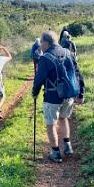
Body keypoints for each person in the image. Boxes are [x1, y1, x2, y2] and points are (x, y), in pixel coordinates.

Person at [32, 31, 85, 163]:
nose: (40, 46)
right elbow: (78, 74)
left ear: (46, 42)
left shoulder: (45, 58)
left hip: (52, 96)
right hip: (68, 95)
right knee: (63, 118)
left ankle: (55, 153)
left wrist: (35, 92)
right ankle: (68, 147)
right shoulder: (68, 53)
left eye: (41, 43)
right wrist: (81, 93)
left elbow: (39, 79)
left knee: (51, 124)